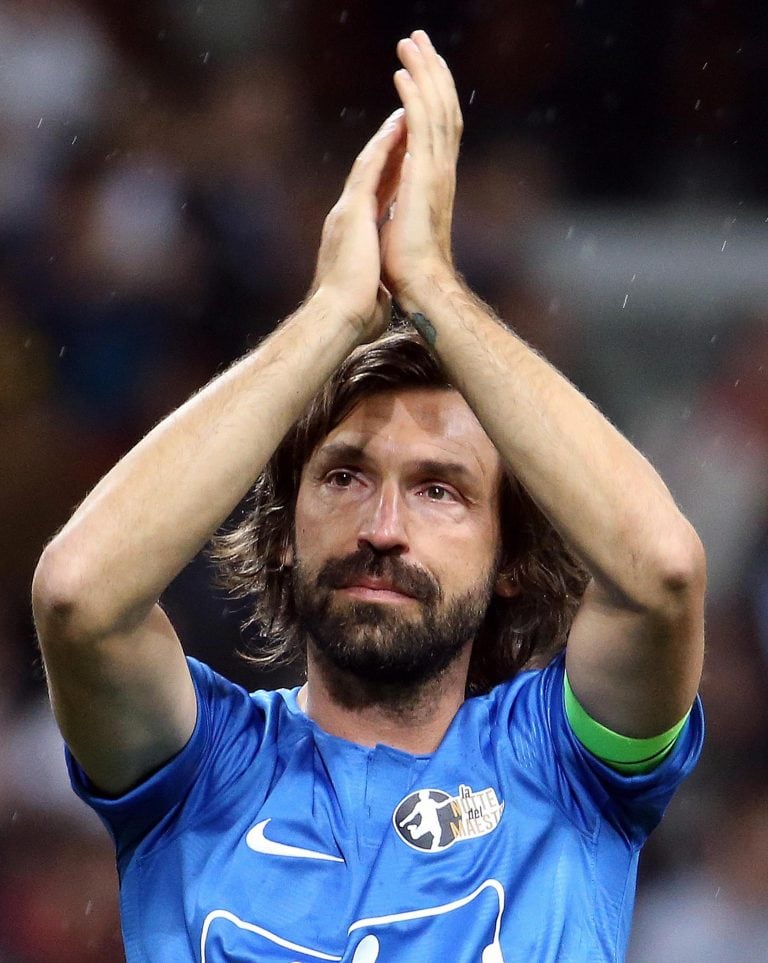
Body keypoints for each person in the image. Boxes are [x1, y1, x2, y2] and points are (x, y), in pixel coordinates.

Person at [32, 30, 705, 963]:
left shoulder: (568, 764)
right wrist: (329, 315)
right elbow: (78, 594)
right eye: (345, 475)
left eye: (440, 490)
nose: (382, 528)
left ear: (510, 561)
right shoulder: (198, 769)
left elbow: (663, 572)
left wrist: (433, 283)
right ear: (280, 535)